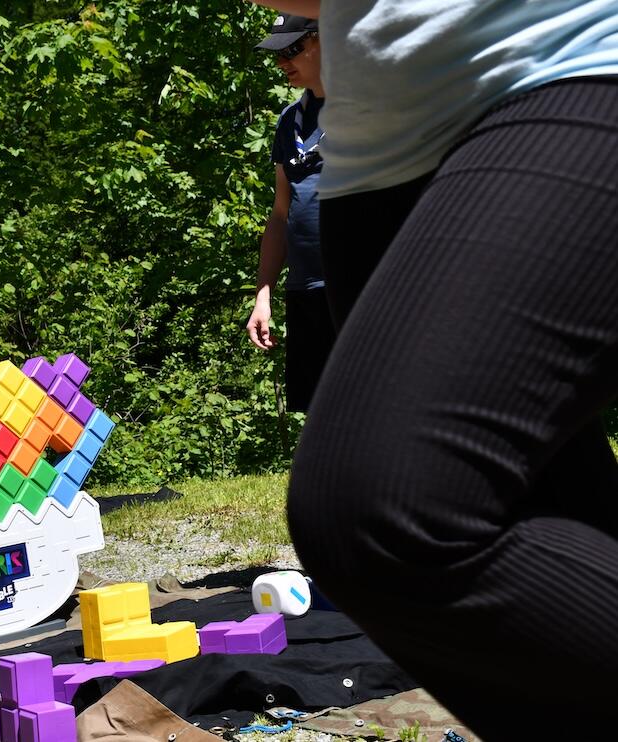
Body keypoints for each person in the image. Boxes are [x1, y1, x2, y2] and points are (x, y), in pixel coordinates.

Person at [245, 3, 618, 739]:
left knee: (385, 514)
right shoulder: (299, 123)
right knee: (557, 506)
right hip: (374, 165)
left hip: (553, 68)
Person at [246, 15, 334, 413]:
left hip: (362, 287)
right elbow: (280, 215)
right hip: (305, 292)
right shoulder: (289, 121)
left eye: (292, 49)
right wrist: (263, 295)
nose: (282, 62)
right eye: (277, 54)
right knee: (319, 413)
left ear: (324, 40)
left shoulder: (368, 109)